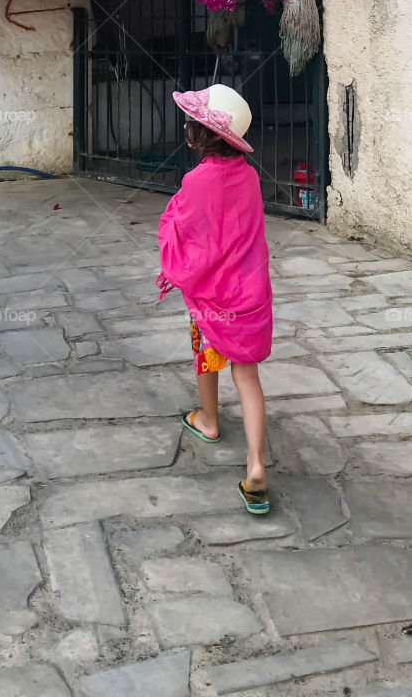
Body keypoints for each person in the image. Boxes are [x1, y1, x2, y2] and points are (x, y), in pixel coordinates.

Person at [157, 84, 273, 514]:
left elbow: (185, 228)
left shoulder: (195, 181)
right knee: (248, 377)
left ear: (198, 134)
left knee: (207, 354)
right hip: (248, 295)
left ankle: (208, 420)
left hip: (211, 297)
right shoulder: (249, 177)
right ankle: (256, 463)